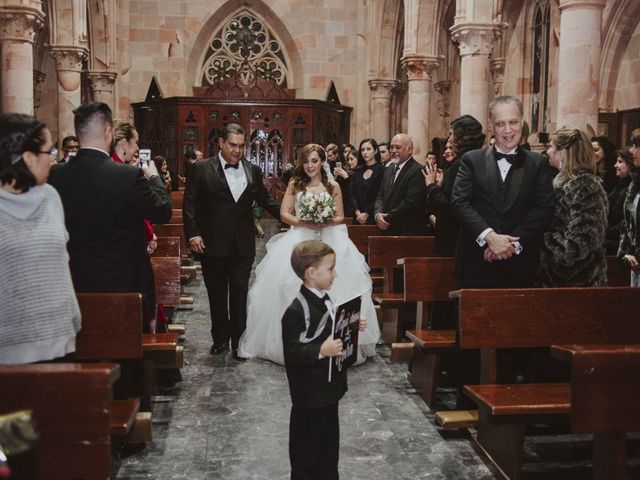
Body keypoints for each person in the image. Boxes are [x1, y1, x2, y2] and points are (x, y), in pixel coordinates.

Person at [238, 143, 380, 364]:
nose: (310, 166)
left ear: (322, 161)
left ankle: (338, 344)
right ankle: (297, 344)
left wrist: (324, 221)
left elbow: (341, 216)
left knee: (338, 285)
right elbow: (284, 213)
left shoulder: (332, 185)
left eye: (314, 161)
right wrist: (303, 221)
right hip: (300, 237)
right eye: (306, 161)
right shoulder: (295, 183)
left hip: (329, 238)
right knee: (290, 285)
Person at [49, 102, 172, 330]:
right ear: (108, 132)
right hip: (124, 287)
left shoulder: (56, 175)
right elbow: (162, 211)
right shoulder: (128, 175)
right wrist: (154, 178)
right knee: (127, 358)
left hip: (73, 285)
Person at [183, 124, 281, 360]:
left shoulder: (252, 170)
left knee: (239, 293)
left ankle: (240, 341)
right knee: (216, 294)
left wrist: (291, 215)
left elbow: (266, 200)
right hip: (212, 243)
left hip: (242, 243)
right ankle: (220, 339)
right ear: (221, 143)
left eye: (241, 145)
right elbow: (190, 204)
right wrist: (193, 234)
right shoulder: (201, 168)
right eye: (233, 145)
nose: (237, 151)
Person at [0, 113, 80, 364]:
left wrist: (73, 315)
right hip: (10, 348)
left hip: (60, 338)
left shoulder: (51, 197)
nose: (54, 158)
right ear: (29, 158)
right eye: (49, 151)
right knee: (18, 406)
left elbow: (61, 260)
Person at [283, 240, 366, 480]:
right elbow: (293, 353)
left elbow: (331, 326)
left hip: (329, 392)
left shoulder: (325, 298)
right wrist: (321, 349)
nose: (335, 274)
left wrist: (351, 325)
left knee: (329, 450)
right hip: (309, 398)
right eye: (330, 269)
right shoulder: (296, 311)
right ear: (311, 273)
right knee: (307, 454)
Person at [451, 95, 555, 288]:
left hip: (520, 267)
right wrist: (490, 237)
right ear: (491, 125)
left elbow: (544, 208)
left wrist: (512, 245)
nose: (508, 130)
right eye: (500, 124)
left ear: (522, 122)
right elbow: (460, 202)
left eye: (513, 122)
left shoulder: (538, 163)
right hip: (475, 264)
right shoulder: (471, 160)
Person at [538, 126, 608, 287]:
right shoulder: (562, 183)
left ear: (564, 151)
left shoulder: (586, 187)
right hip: (557, 279)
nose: (548, 152)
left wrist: (540, 243)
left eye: (551, 147)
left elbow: (580, 242)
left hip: (579, 282)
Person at [423, 115, 485, 257]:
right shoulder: (479, 159)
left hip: (452, 238)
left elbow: (450, 203)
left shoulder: (459, 164)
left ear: (461, 137)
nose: (449, 138)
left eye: (451, 133)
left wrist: (431, 186)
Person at [374, 133, 428, 235]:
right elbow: (380, 196)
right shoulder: (388, 169)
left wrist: (387, 217)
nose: (393, 151)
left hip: (407, 231)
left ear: (410, 150)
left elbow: (409, 202)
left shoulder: (417, 171)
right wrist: (377, 215)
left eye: (398, 147)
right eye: (391, 147)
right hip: (385, 228)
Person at [618, 128, 640, 286]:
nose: (632, 150)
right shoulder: (636, 183)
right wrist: (628, 253)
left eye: (636, 145)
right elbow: (629, 225)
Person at [350, 138, 384, 225]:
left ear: (375, 151)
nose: (365, 152)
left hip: (374, 216)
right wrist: (357, 211)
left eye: (368, 149)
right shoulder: (357, 171)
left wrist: (367, 213)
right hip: (357, 217)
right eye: (362, 150)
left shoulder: (383, 170)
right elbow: (352, 194)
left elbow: (380, 196)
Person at [606, 149, 633, 254]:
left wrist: (605, 233)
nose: (615, 165)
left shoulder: (632, 188)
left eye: (620, 162)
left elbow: (627, 222)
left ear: (630, 164)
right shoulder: (620, 184)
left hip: (621, 243)